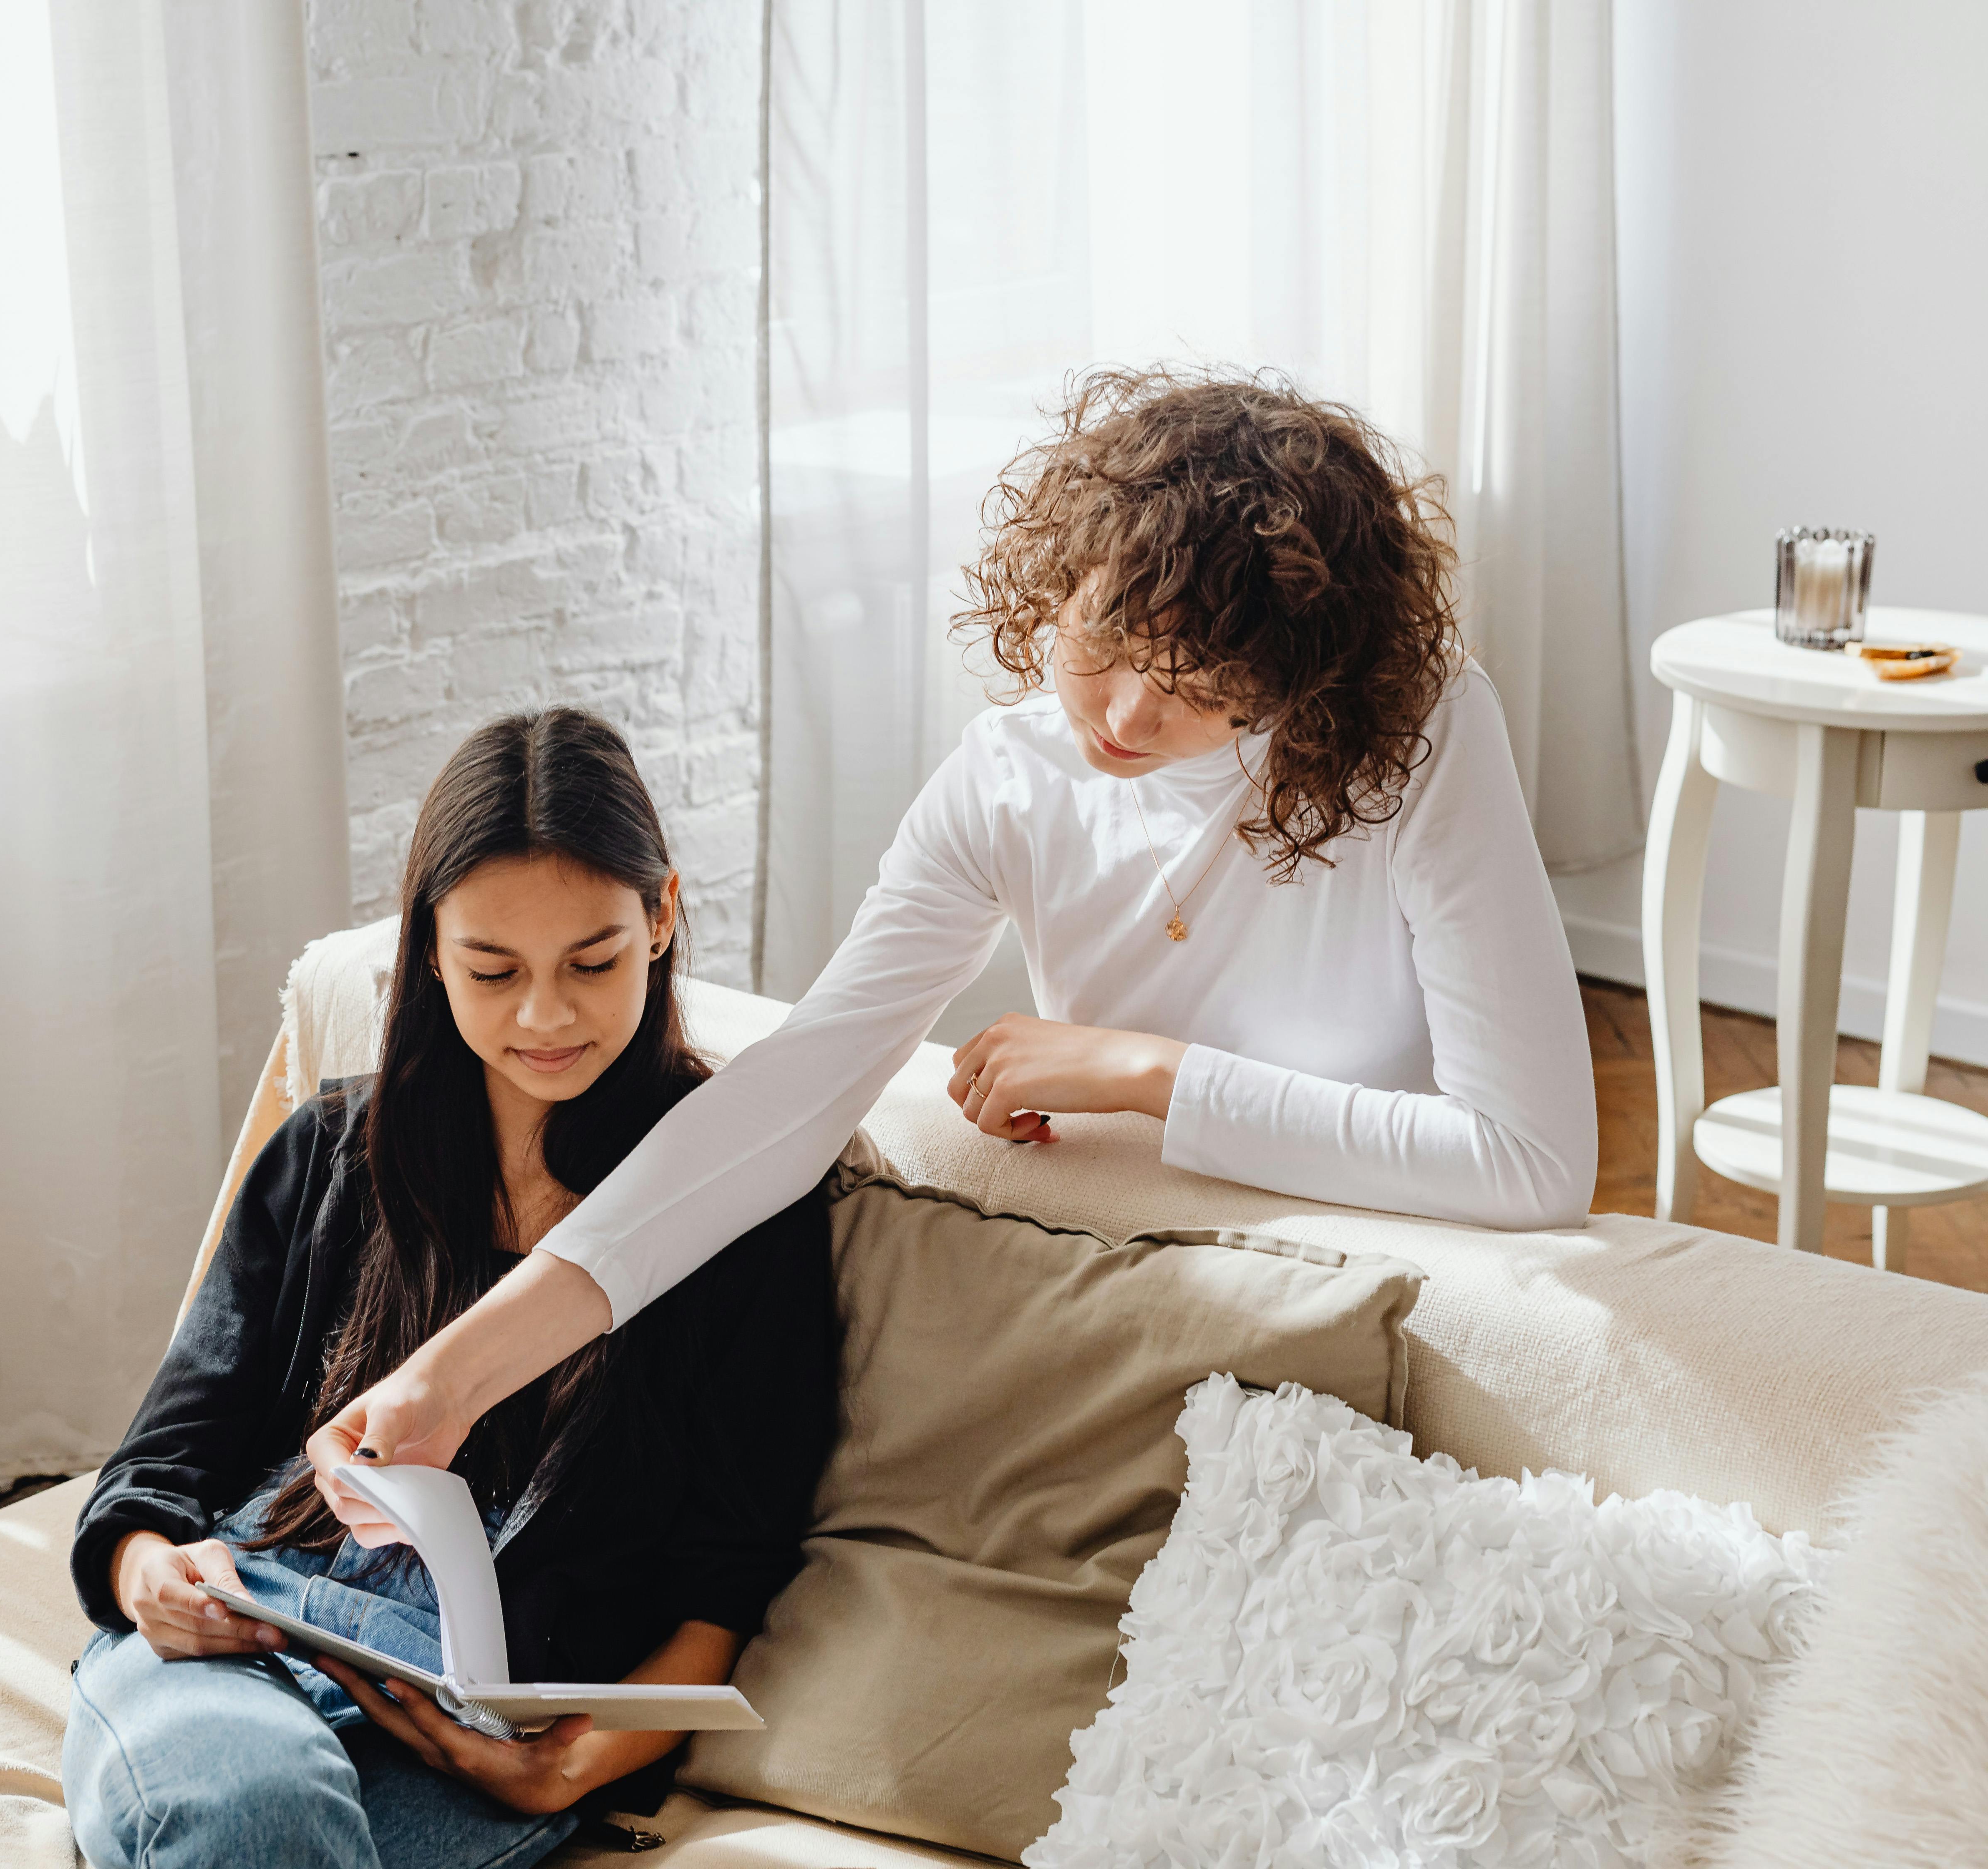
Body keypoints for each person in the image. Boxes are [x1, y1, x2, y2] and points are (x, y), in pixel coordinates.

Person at [310, 365, 1596, 1549]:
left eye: (1203, 689)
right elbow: (797, 1090)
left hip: (1391, 1277)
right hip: (1153, 1288)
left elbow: (1534, 1163)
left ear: (1296, 689)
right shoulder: (1015, 775)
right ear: (1059, 578)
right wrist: (455, 1373)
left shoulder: (1419, 738)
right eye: (1106, 644)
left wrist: (1150, 1074)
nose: (1130, 716)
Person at [62, 710, 839, 1869]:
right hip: (245, 1650)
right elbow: (161, 1467)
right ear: (429, 946)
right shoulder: (331, 1154)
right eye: (493, 969)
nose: (545, 1016)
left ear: (663, 916)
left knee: (264, 1841)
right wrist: (149, 1583)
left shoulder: (742, 1205)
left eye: (594, 962)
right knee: (254, 1810)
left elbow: (730, 1579)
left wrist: (578, 1763)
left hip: (471, 1733)